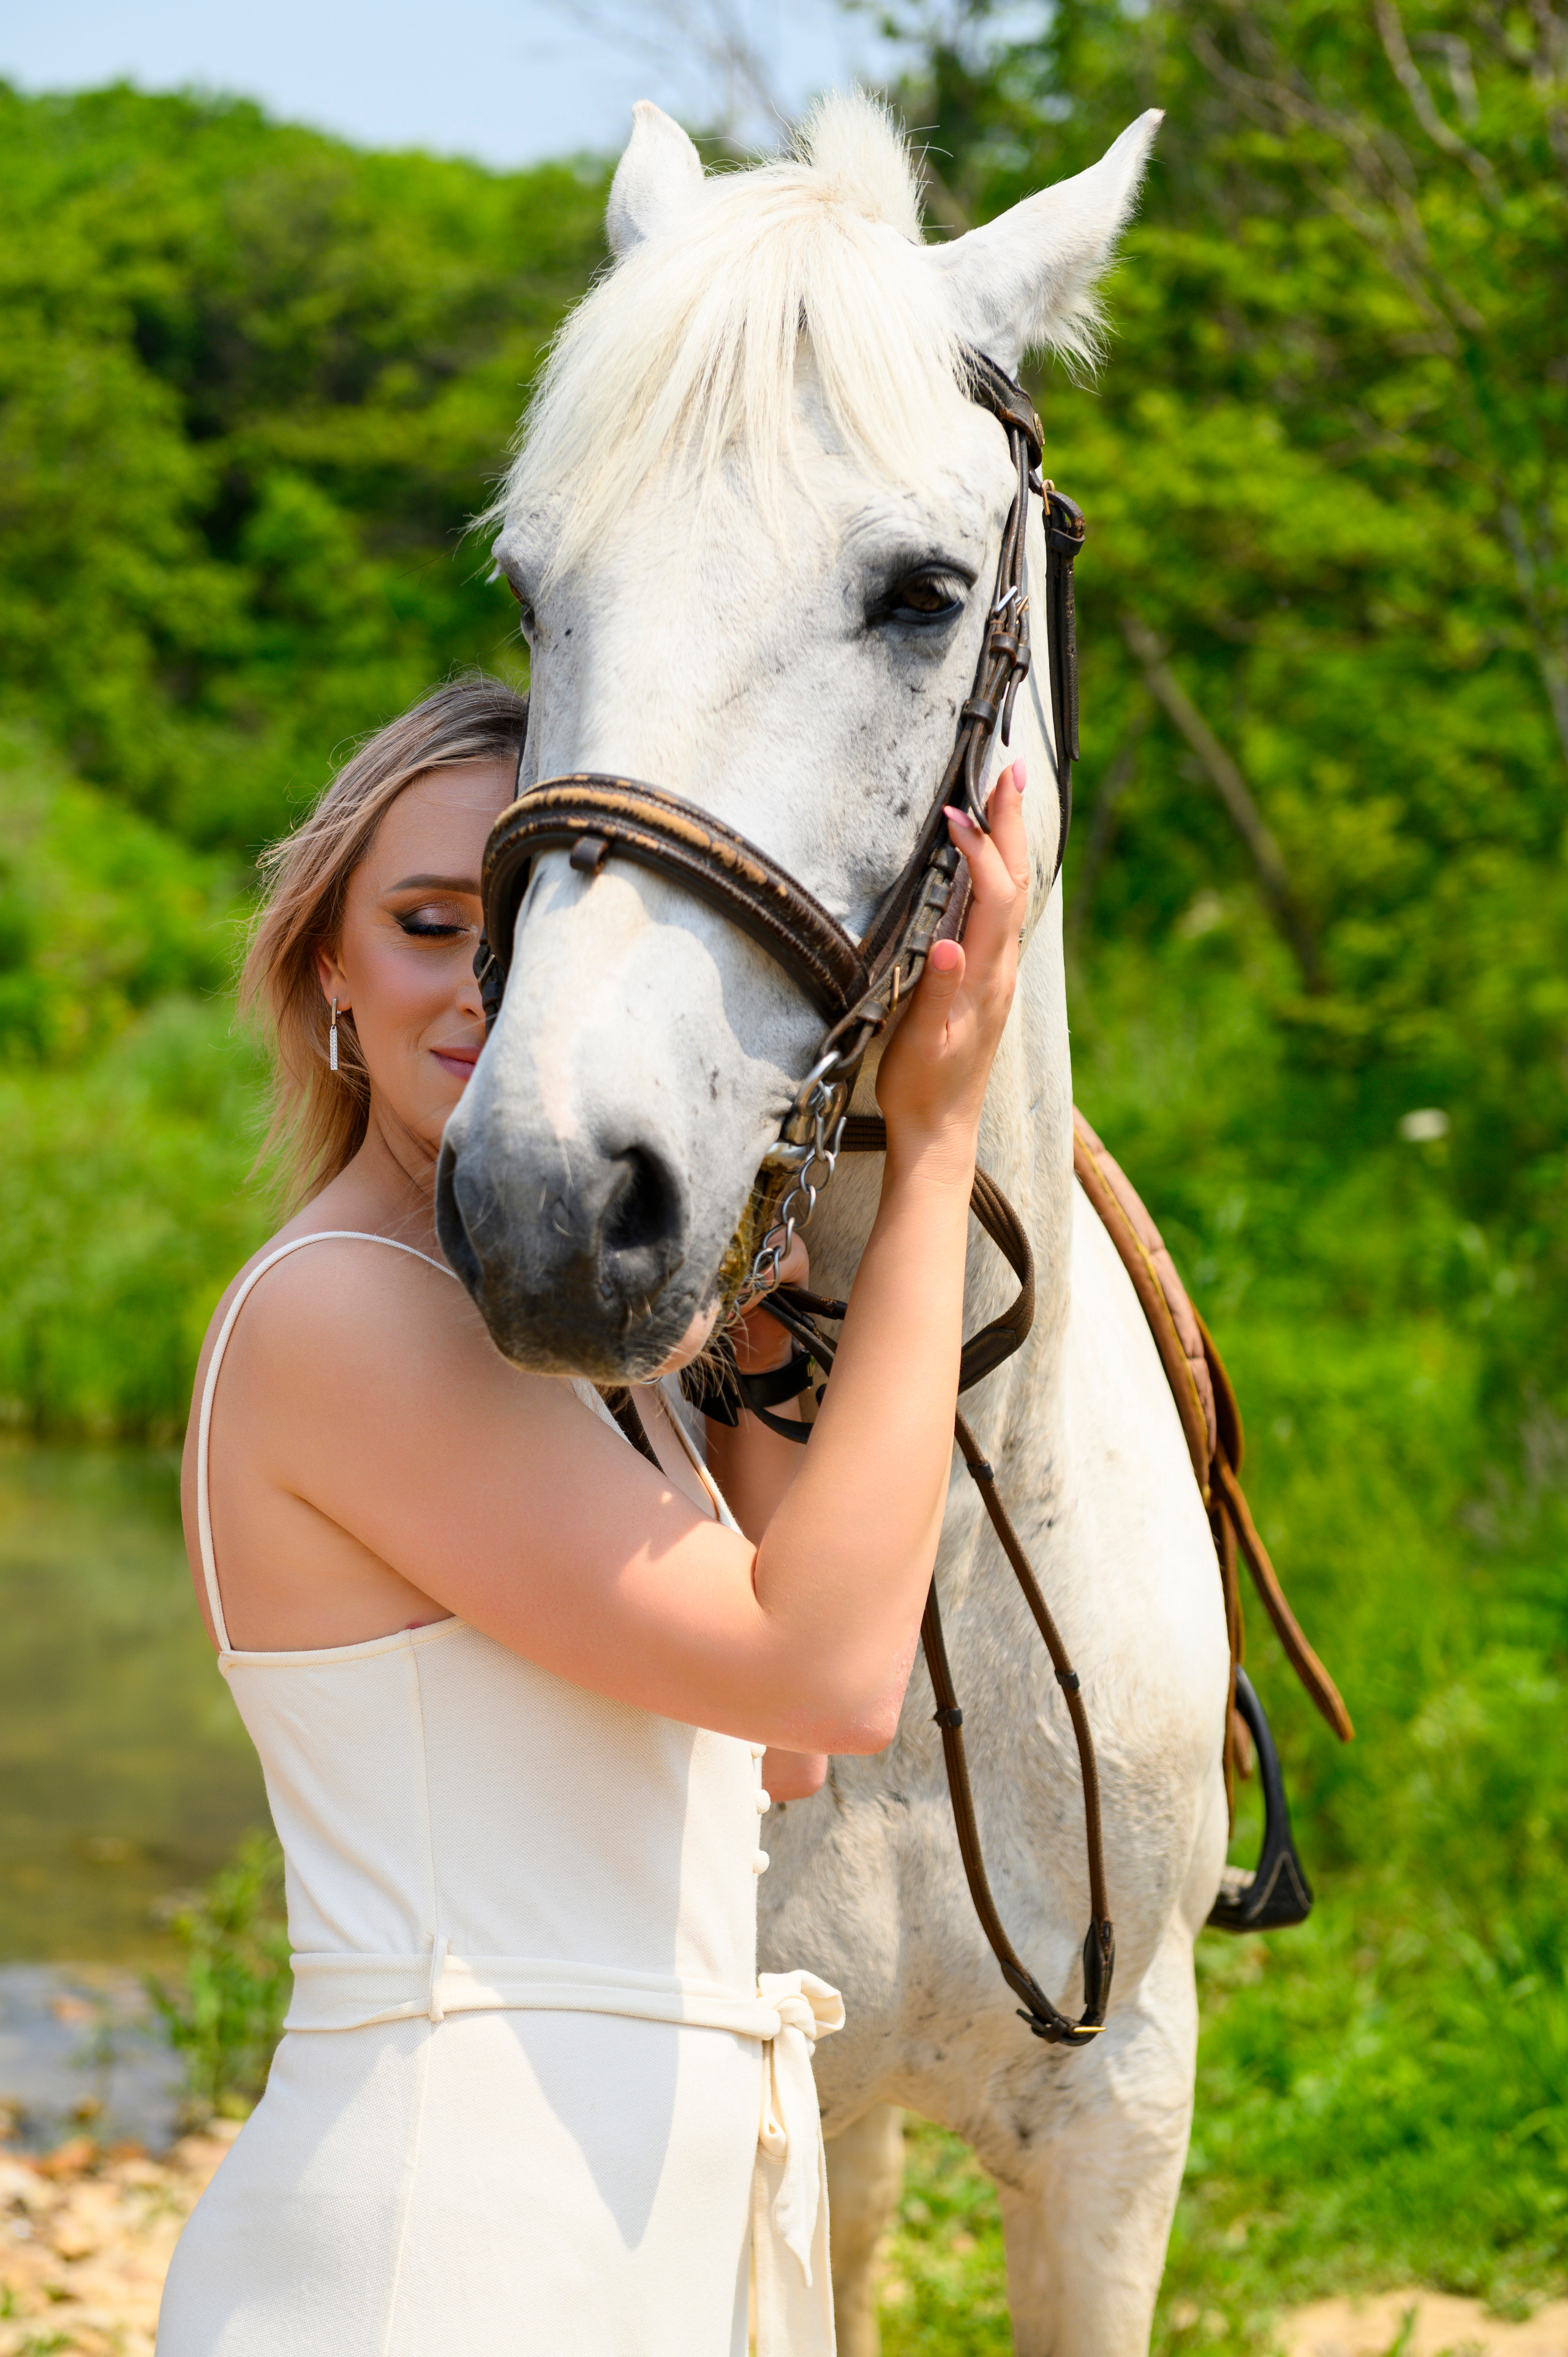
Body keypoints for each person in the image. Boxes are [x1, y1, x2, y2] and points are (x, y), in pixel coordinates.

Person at [156, 673, 1028, 2357]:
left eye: (539, 929)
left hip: (619, 2232)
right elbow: (825, 1672)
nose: (494, 986)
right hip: (450, 2250)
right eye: (428, 924)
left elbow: (772, 1749)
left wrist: (754, 1343)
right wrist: (930, 1153)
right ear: (323, 965)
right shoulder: (350, 1313)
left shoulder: (543, 1355)